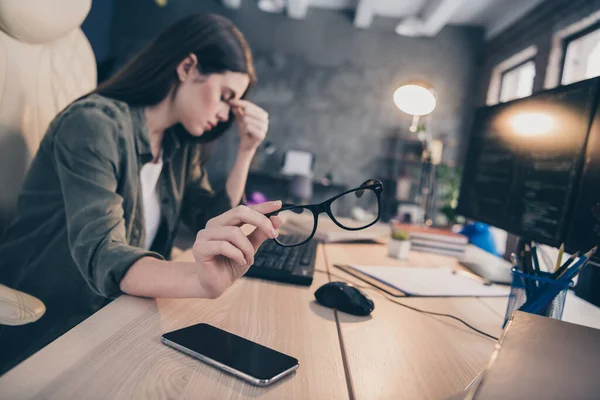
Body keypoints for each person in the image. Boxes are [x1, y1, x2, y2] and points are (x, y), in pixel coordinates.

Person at [0, 13, 282, 374]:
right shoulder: (93, 125)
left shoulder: (179, 143)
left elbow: (209, 219)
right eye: (226, 97)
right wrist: (199, 281)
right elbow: (105, 253)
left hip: (118, 313)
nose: (229, 114)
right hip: (60, 323)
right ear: (187, 66)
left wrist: (246, 150)